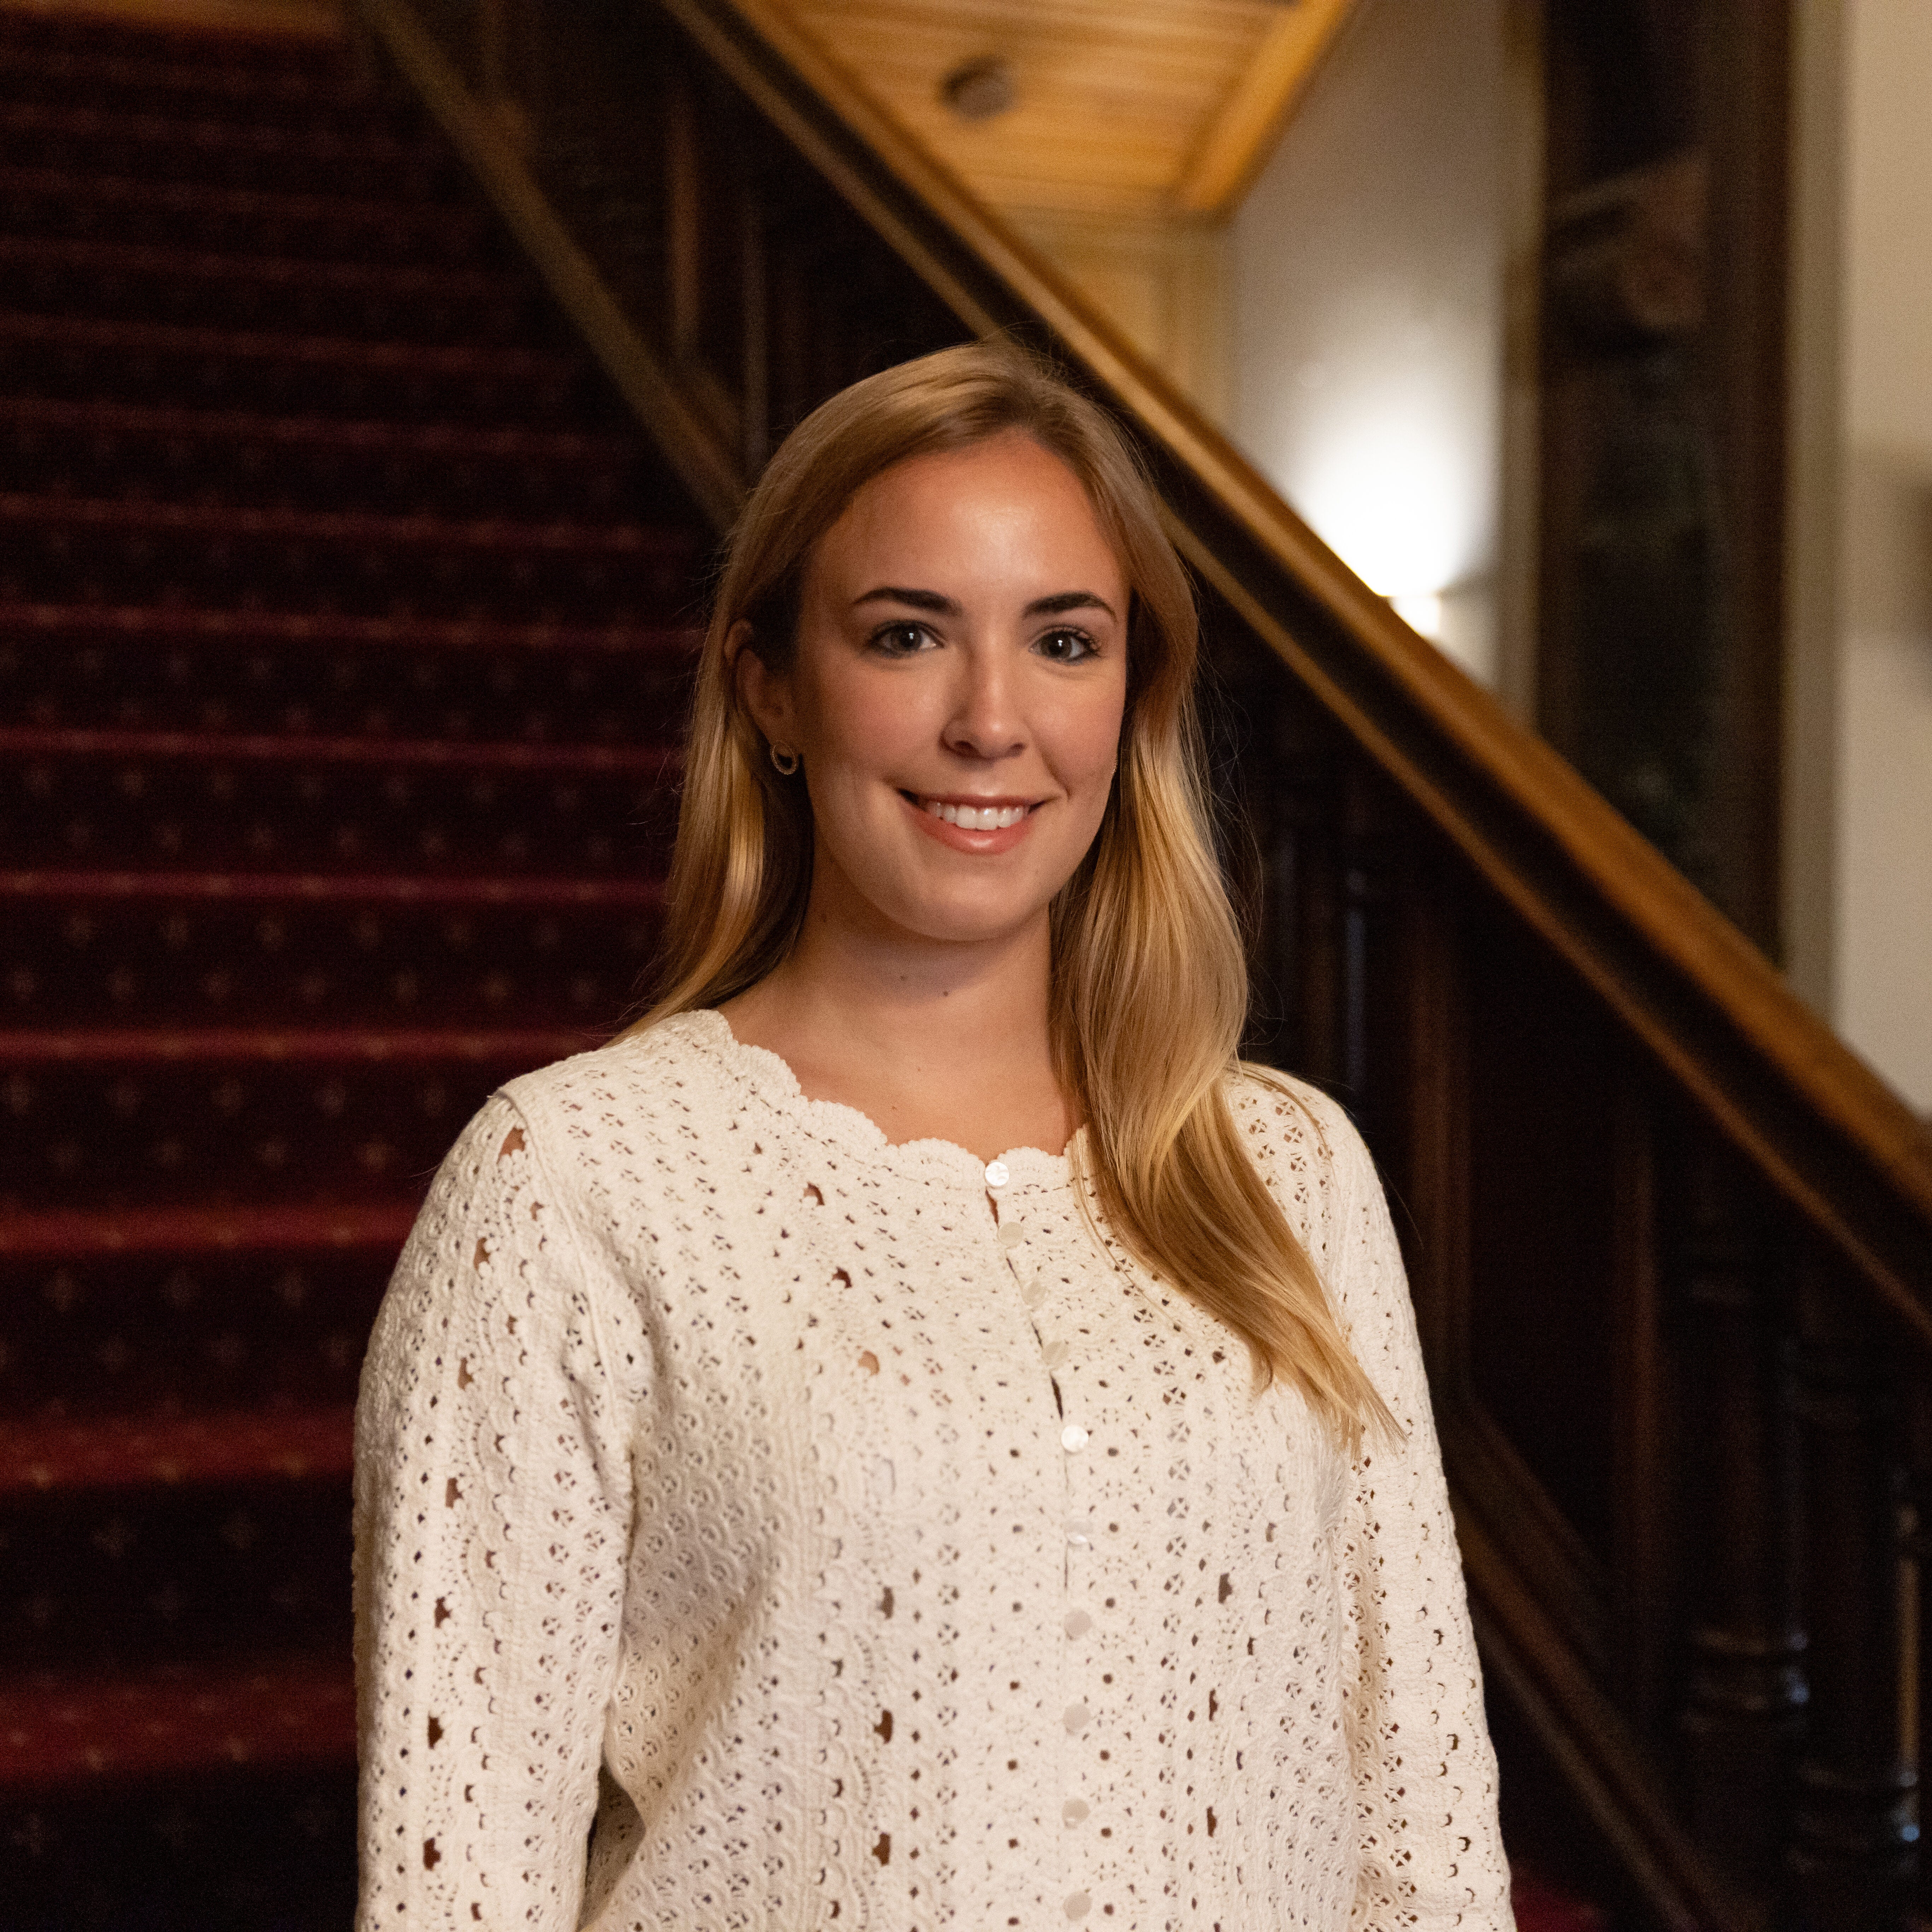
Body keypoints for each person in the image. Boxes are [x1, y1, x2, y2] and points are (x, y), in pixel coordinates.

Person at [352, 340, 1513, 1930]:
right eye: (906, 633)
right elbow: (456, 1888)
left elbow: (1423, 1816)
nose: (991, 721)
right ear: (770, 683)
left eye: (1062, 639)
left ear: (1133, 694)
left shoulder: (1289, 1168)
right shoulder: (568, 1186)